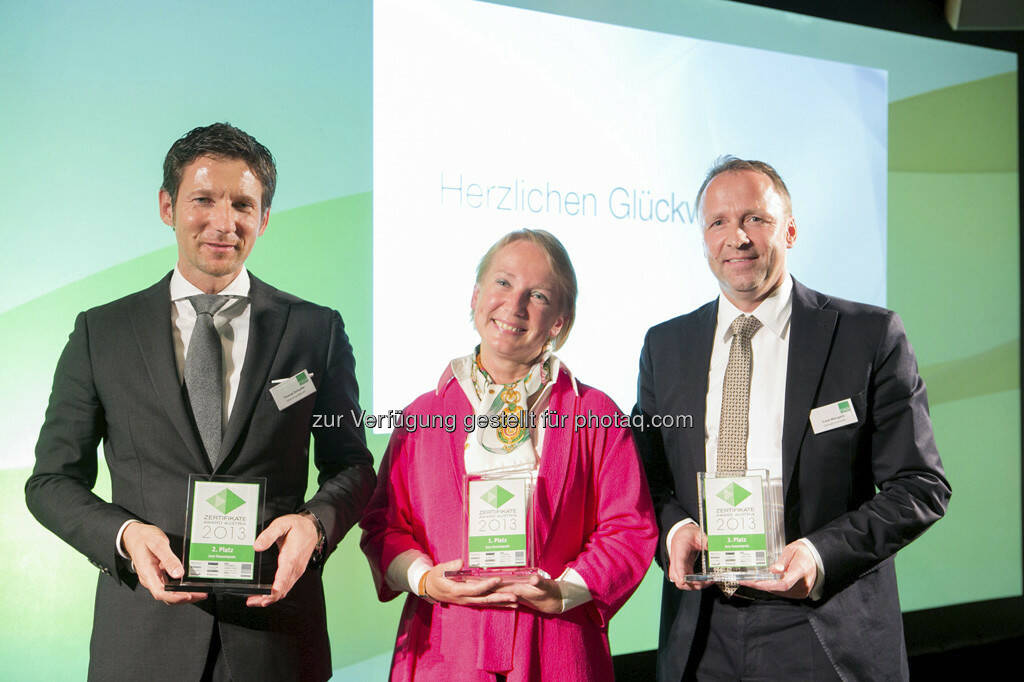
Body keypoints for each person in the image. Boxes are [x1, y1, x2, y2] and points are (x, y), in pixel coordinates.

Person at [25, 123, 375, 682]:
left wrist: (314, 524)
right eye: (203, 200)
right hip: (141, 643)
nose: (223, 222)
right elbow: (49, 482)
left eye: (243, 204)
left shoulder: (316, 331)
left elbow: (352, 465)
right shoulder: (102, 333)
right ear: (167, 206)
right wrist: (124, 536)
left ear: (263, 218)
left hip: (278, 640)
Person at [634, 157, 951, 681]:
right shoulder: (665, 345)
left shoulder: (866, 336)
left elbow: (919, 485)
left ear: (791, 230)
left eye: (755, 219)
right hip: (701, 631)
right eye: (718, 222)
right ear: (703, 239)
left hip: (820, 630)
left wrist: (819, 554)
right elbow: (646, 472)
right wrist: (673, 531)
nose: (736, 237)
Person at [360, 229, 657, 681]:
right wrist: (424, 579)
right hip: (445, 650)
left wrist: (563, 592)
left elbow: (628, 529)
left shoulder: (595, 414)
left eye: (537, 295)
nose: (514, 306)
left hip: (557, 649)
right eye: (502, 283)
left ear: (559, 320)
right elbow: (384, 525)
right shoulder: (422, 416)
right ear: (476, 296)